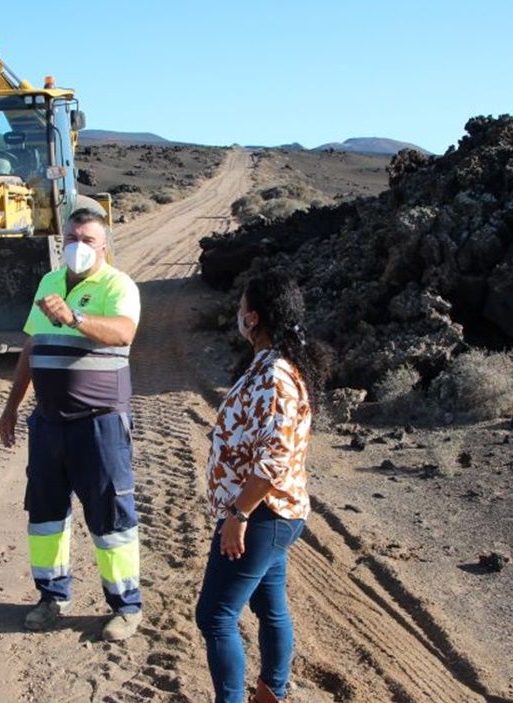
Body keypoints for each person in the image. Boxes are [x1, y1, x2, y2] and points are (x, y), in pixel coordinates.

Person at [0, 208, 144, 642]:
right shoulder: (49, 282)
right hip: (48, 423)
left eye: (87, 239)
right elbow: (31, 345)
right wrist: (11, 408)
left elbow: (123, 333)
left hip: (98, 424)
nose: (77, 246)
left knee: (111, 517)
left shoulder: (119, 286)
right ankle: (51, 597)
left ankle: (125, 605)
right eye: (71, 237)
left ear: (104, 247)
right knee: (44, 516)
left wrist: (75, 318)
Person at [195, 271, 329, 703]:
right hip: (270, 513)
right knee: (269, 608)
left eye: (240, 308)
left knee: (215, 615)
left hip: (260, 514)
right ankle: (274, 692)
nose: (236, 314)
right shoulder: (270, 365)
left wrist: (238, 516)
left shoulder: (274, 376)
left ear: (252, 318)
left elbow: (272, 460)